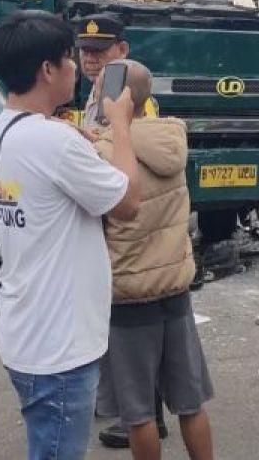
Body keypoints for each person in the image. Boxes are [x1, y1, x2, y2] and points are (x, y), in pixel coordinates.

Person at [0, 11, 141, 460]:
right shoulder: (55, 143)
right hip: (60, 345)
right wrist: (121, 125)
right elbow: (126, 203)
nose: (77, 67)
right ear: (47, 69)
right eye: (70, 58)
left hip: (23, 329)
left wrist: (78, 139)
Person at [95, 60, 214, 460]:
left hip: (129, 294)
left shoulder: (105, 149)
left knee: (139, 413)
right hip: (175, 289)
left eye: (99, 88)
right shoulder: (171, 135)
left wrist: (99, 133)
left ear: (116, 99)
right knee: (189, 402)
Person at [73, 14, 164, 447]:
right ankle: (135, 406)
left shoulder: (134, 94)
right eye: (86, 51)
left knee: (139, 323)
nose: (91, 59)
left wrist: (89, 139)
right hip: (112, 215)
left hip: (136, 221)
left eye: (101, 50)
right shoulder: (96, 93)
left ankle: (148, 414)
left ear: (122, 51)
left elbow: (139, 148)